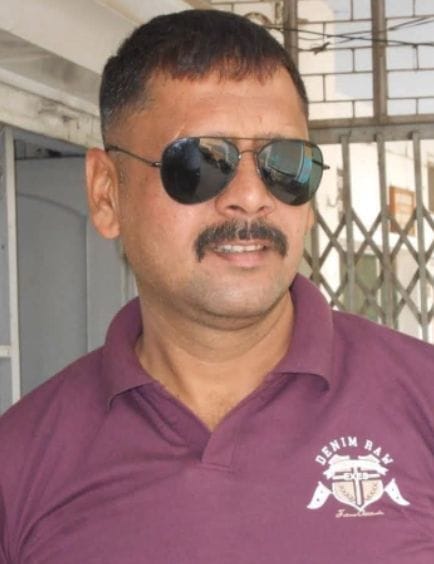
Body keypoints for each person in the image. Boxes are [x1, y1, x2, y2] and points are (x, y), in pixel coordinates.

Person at [0, 9, 433, 564]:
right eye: (201, 162)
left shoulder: (423, 401)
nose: (251, 198)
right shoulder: (21, 463)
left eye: (286, 163)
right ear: (107, 193)